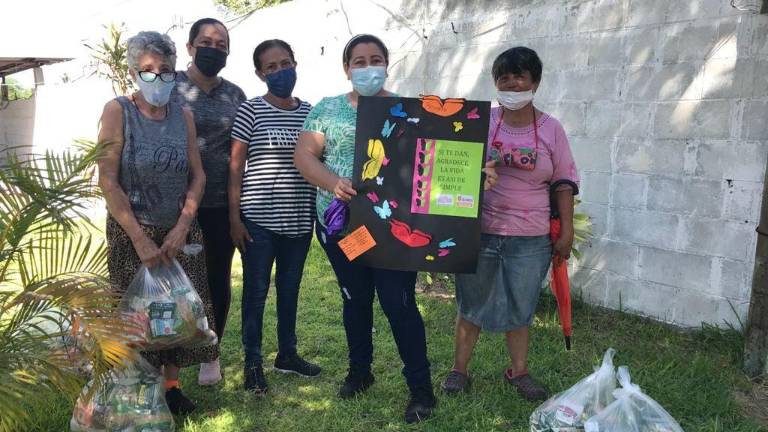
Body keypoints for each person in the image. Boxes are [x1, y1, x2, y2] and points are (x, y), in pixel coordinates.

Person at [294, 34, 442, 424]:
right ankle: (360, 372)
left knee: (399, 303)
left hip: (394, 230)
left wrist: (476, 174)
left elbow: (437, 158)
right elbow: (304, 156)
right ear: (347, 69)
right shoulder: (327, 110)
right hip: (346, 228)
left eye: (376, 59)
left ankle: (421, 389)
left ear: (387, 65)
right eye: (359, 61)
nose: (368, 67)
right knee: (355, 298)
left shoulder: (408, 110)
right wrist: (332, 183)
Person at [440, 47, 579, 401]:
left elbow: (563, 182)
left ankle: (519, 371)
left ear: (535, 82)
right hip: (480, 231)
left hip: (531, 237)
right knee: (470, 303)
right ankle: (459, 370)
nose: (512, 84)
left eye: (520, 76)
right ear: (495, 83)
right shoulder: (479, 122)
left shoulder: (552, 129)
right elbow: (451, 167)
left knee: (522, 305)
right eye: (504, 77)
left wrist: (567, 229)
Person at [97, 31, 217, 415]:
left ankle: (171, 388)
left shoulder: (184, 117)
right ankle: (139, 392)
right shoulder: (119, 111)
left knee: (177, 315)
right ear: (134, 72)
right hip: (134, 232)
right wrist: (139, 239)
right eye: (148, 70)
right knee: (138, 316)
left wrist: (183, 226)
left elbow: (197, 176)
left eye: (165, 70)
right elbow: (107, 179)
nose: (158, 77)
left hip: (178, 232)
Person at [229, 39, 320, 394]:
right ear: (260, 74)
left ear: (295, 64)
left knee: (289, 289)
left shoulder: (310, 113)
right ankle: (252, 363)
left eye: (285, 63)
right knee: (255, 292)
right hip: (258, 221)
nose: (280, 71)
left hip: (298, 222)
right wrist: (234, 218)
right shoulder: (250, 110)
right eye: (271, 67)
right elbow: (235, 168)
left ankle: (287, 354)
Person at [171, 17, 246, 386]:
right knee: (174, 280)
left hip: (218, 203)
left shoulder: (235, 95)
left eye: (221, 45)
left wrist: (236, 210)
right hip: (174, 203)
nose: (213, 50)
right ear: (189, 47)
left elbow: (241, 151)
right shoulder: (169, 88)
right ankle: (168, 354)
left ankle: (210, 353)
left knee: (216, 278)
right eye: (205, 42)